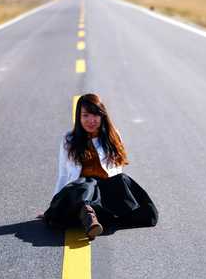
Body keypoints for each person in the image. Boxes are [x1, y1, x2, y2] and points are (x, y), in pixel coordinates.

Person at [38, 93, 158, 240]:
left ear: (102, 116)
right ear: (79, 117)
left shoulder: (112, 135)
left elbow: (117, 169)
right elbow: (63, 174)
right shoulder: (69, 139)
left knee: (125, 183)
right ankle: (89, 218)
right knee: (87, 183)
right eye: (85, 115)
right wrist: (54, 204)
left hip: (104, 193)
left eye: (95, 115)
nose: (91, 120)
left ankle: (96, 216)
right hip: (80, 192)